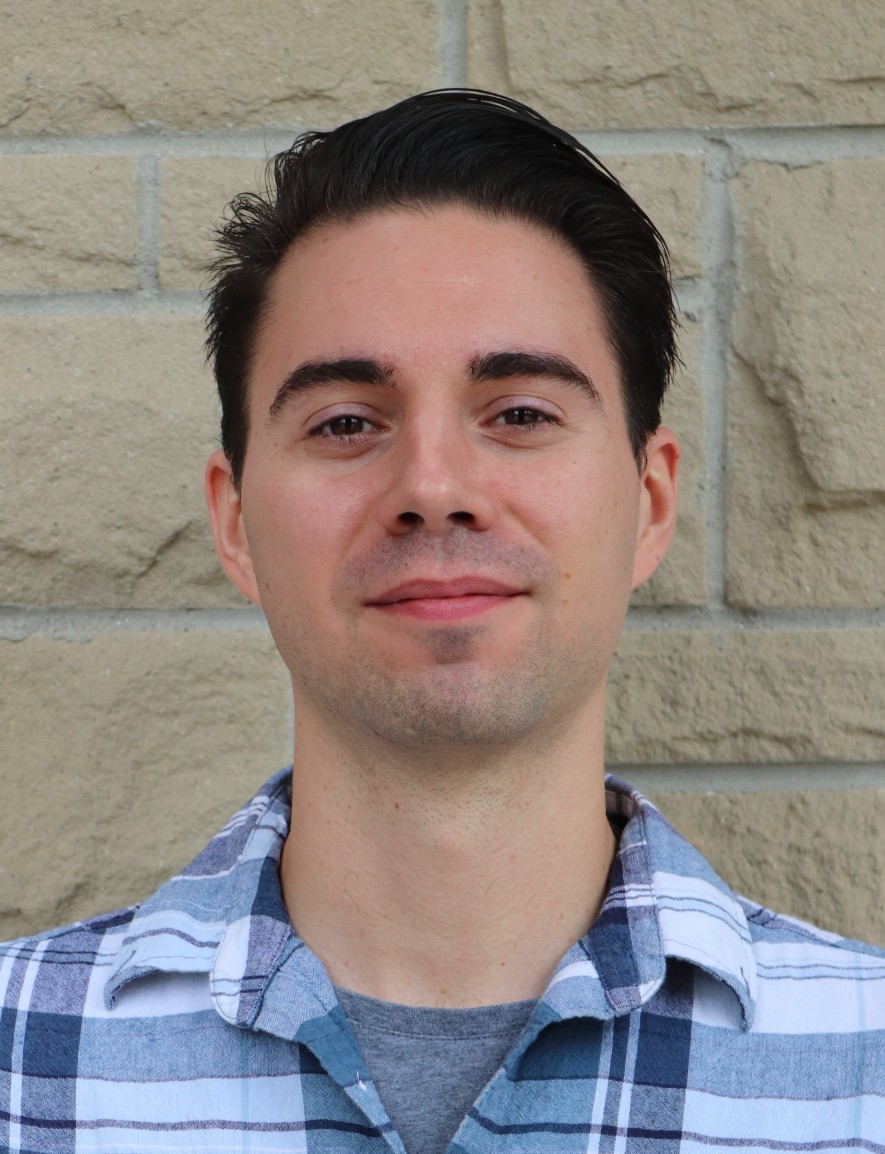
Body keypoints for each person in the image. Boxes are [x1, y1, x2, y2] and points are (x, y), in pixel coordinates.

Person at [1, 89, 883, 1154]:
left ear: (649, 504)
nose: (432, 486)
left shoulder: (865, 1073)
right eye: (344, 422)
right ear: (235, 523)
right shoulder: (19, 1062)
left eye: (520, 413)